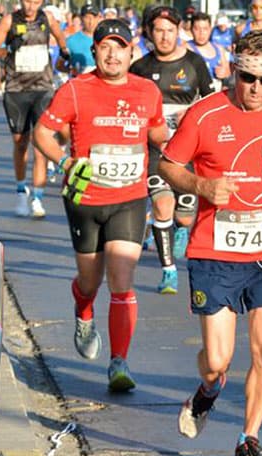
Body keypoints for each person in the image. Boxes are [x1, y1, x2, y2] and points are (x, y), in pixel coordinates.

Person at [158, 31, 262, 456]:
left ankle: (249, 441)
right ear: (232, 70)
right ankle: (207, 391)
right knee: (218, 360)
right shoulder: (205, 115)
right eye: (248, 78)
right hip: (215, 249)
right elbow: (168, 164)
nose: (257, 89)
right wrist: (201, 186)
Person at [33, 18, 166, 391]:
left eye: (119, 46)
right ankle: (84, 307)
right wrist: (65, 162)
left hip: (129, 197)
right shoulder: (76, 89)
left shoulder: (146, 91)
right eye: (105, 47)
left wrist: (177, 138)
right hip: (86, 200)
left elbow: (155, 130)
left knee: (122, 281)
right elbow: (42, 132)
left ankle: (119, 363)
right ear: (95, 52)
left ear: (131, 52)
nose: (112, 53)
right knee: (91, 281)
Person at [130, 5, 213, 295]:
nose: (164, 37)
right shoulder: (140, 68)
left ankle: (180, 228)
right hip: (155, 150)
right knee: (162, 204)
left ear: (179, 31)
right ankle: (168, 272)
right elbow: (128, 102)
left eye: (170, 30)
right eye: (159, 31)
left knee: (186, 215)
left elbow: (211, 103)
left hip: (189, 149)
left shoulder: (194, 63)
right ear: (150, 34)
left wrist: (189, 112)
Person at [0, 0, 69, 219]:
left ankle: (38, 198)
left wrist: (65, 56)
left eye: (35, 1)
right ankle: (22, 191)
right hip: (16, 90)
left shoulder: (47, 19)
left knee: (40, 144)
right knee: (20, 143)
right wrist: (9, 48)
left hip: (43, 89)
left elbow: (62, 42)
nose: (30, 6)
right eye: (26, 1)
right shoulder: (9, 20)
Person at [189, 12, 230, 91]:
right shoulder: (185, 48)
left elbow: (228, 73)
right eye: (197, 29)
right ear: (191, 30)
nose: (201, 33)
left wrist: (224, 73)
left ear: (210, 29)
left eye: (205, 29)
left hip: (215, 96)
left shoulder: (219, 48)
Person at [63, 5, 98, 76]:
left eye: (94, 17)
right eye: (87, 18)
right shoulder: (71, 41)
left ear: (98, 18)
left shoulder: (105, 38)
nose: (91, 21)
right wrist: (71, 70)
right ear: (81, 19)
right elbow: (59, 65)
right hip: (79, 83)